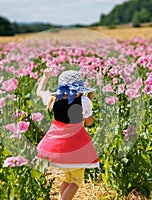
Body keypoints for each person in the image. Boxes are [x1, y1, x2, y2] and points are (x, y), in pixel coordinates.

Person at [36, 68, 99, 200]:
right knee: (76, 180)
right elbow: (89, 122)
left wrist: (45, 76)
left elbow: (39, 92)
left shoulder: (53, 100)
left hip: (56, 147)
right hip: (74, 147)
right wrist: (90, 104)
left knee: (68, 178)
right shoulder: (83, 101)